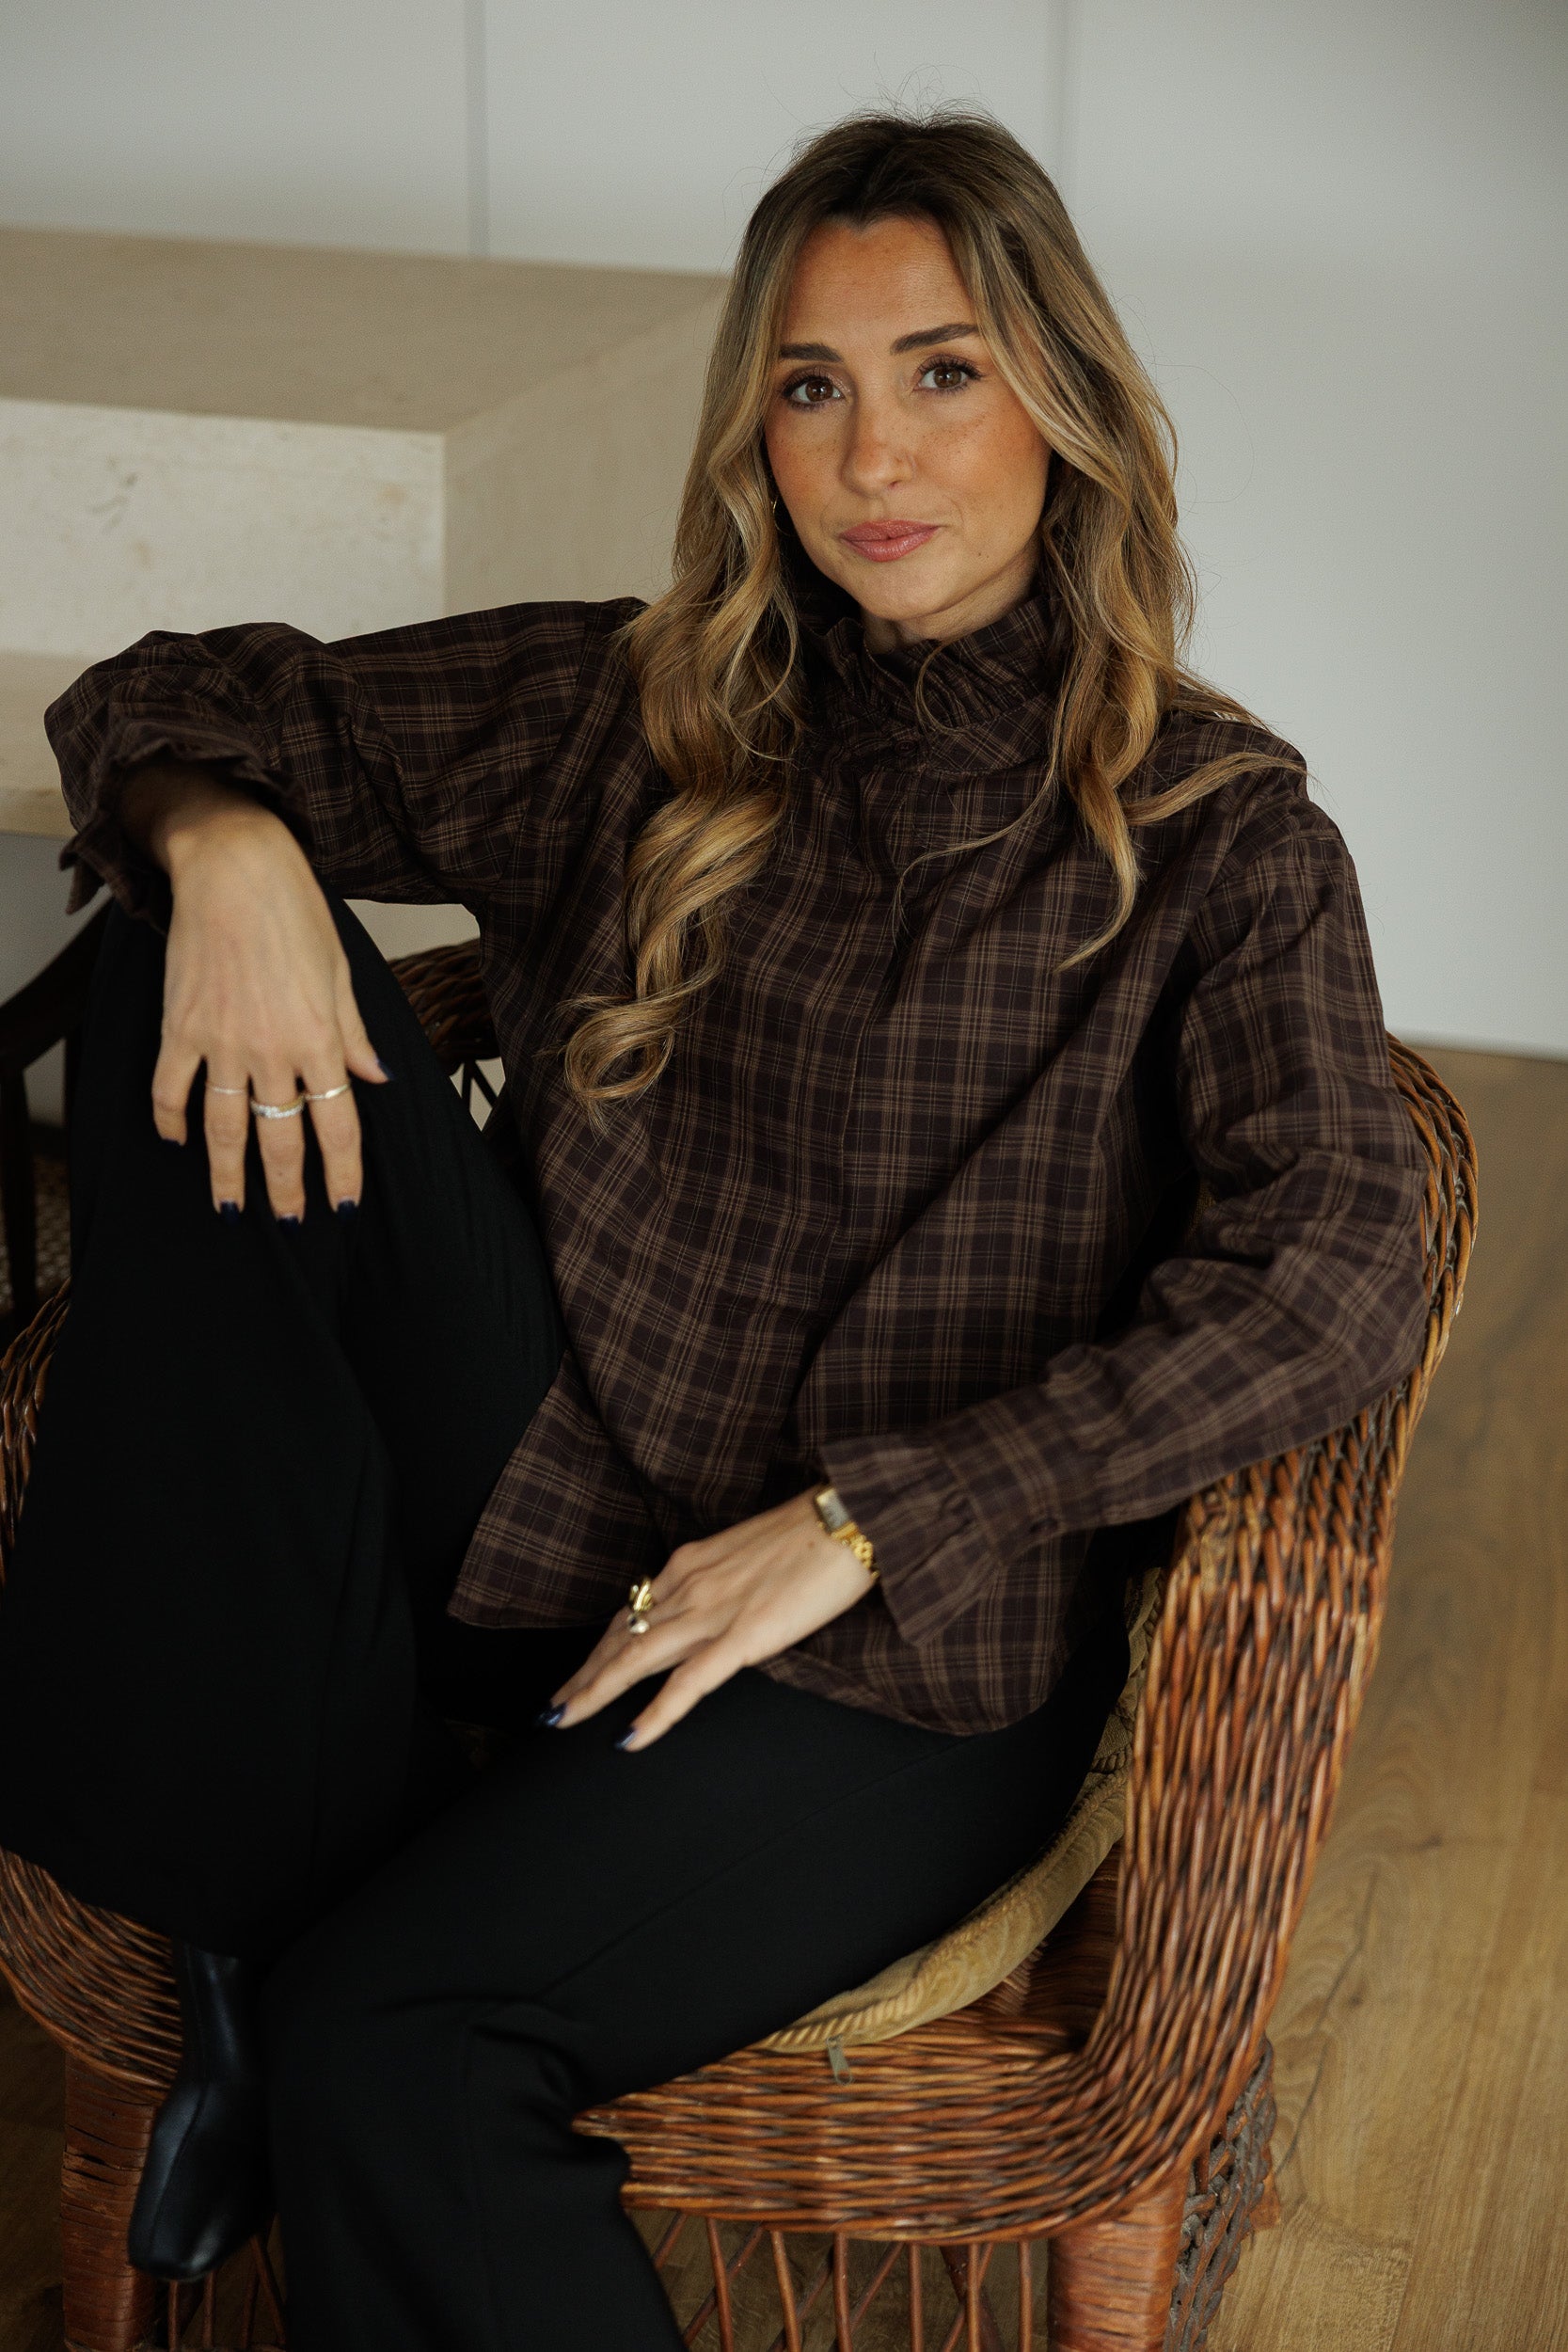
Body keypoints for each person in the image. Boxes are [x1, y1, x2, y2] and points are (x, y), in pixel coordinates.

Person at [0, 109, 1427, 2352]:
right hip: (553, 1487)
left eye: (943, 371)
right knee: (160, 939)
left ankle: (294, 1956)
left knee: (403, 2044)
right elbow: (158, 693)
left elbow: (1336, 1268)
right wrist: (229, 847)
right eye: (808, 383)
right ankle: (263, 1885)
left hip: (888, 1657)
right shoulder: (649, 705)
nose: (875, 453)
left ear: (1063, 400)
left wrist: (871, 1518)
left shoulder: (1224, 840)